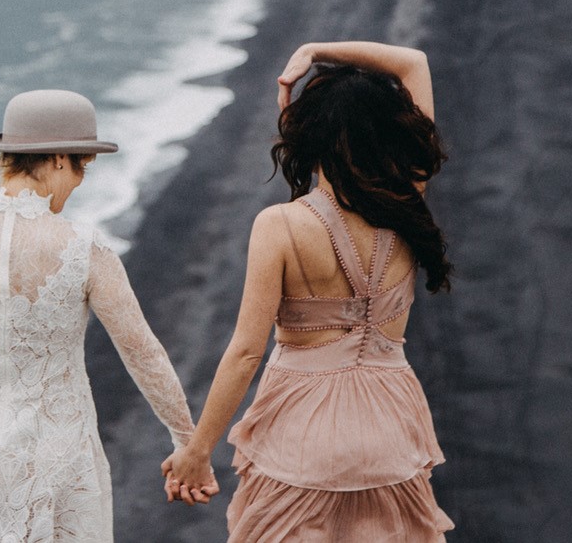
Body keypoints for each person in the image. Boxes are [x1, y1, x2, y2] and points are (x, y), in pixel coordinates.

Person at [163, 41, 455, 541]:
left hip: (302, 433)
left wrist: (197, 450)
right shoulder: (409, 197)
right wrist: (314, 49)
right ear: (389, 131)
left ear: (308, 134)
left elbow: (245, 353)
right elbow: (414, 63)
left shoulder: (280, 225)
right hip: (391, 427)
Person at [0, 89, 201, 542]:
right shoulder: (83, 247)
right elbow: (142, 352)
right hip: (56, 460)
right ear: (61, 160)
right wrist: (188, 442)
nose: (81, 181)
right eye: (82, 166)